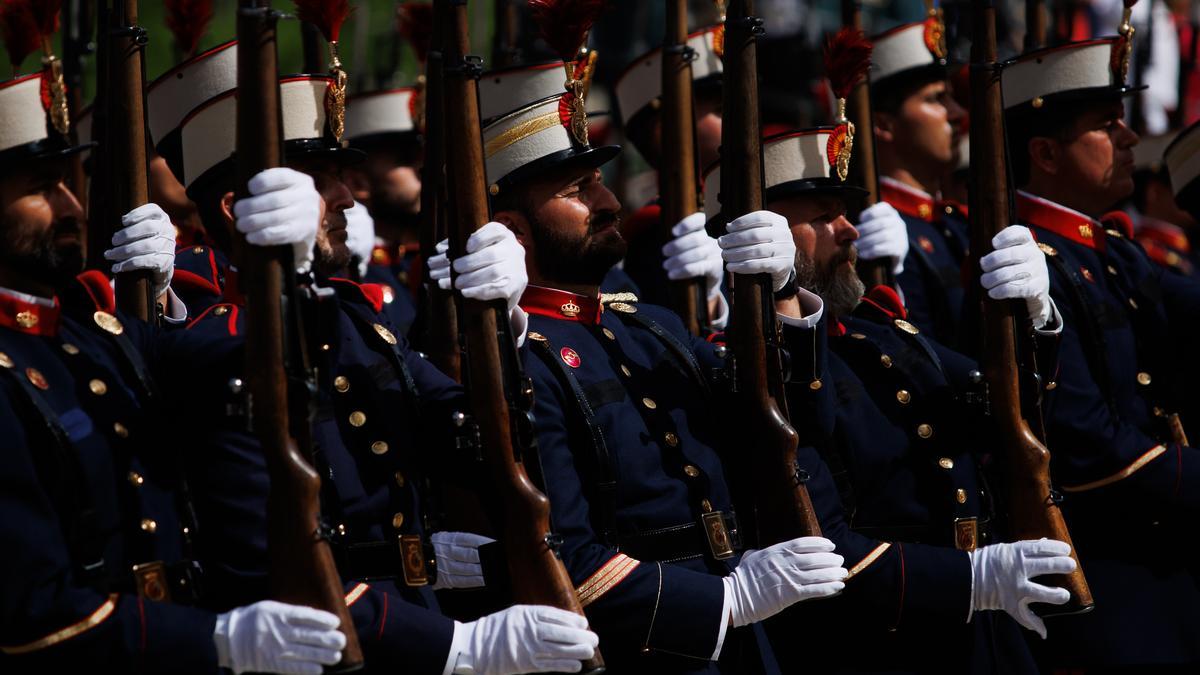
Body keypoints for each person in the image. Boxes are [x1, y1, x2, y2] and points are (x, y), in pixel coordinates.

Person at [148, 53, 602, 674]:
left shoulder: (359, 322)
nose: (346, 198)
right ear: (238, 209)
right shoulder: (214, 346)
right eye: (318, 177)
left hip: (409, 621)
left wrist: (502, 326)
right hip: (342, 647)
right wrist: (456, 649)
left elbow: (466, 437)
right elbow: (271, 566)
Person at [0, 58, 347, 674]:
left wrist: (292, 279)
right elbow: (31, 610)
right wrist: (215, 640)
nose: (71, 206)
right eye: (38, 187)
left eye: (67, 181)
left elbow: (227, 356)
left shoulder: (91, 337)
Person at [702, 126, 1076, 673]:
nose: (849, 230)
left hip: (980, 628)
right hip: (885, 639)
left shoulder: (880, 332)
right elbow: (815, 521)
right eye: (823, 216)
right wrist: (970, 581)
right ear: (760, 240)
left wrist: (1036, 320)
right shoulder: (737, 370)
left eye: (844, 212)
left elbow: (1000, 411)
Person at [1002, 34, 1200, 668]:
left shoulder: (1114, 252)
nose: (1129, 140)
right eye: (1105, 126)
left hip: (1168, 557)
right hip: (1108, 571)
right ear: (1045, 152)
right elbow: (1081, 441)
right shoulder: (1021, 266)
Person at [867, 18, 971, 347]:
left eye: (952, 98)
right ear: (884, 124)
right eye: (936, 99)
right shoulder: (874, 233)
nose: (957, 114)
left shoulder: (955, 224)